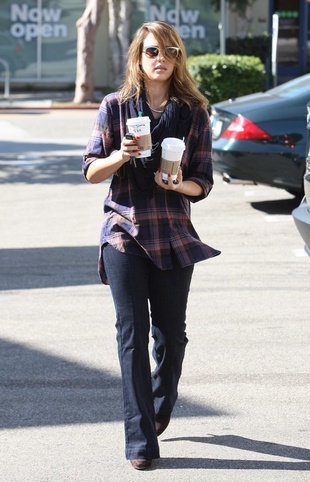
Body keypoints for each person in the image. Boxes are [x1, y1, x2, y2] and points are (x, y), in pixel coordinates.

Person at [82, 20, 220, 471]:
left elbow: (203, 181)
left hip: (174, 234)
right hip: (123, 233)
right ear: (138, 59)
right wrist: (121, 155)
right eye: (153, 52)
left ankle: (161, 401)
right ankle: (139, 439)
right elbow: (90, 171)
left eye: (171, 52)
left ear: (179, 59)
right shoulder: (115, 107)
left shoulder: (194, 111)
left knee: (171, 337)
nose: (162, 59)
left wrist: (178, 185)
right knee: (131, 335)